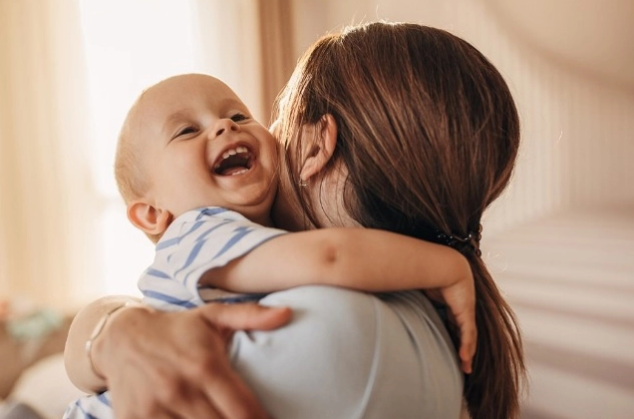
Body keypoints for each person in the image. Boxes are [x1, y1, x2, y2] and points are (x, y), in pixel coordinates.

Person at [65, 21, 525, 419]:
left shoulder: (341, 327)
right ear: (150, 213)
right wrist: (447, 263)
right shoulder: (200, 228)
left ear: (315, 146)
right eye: (188, 130)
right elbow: (330, 257)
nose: (225, 128)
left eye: (240, 115)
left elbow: (332, 258)